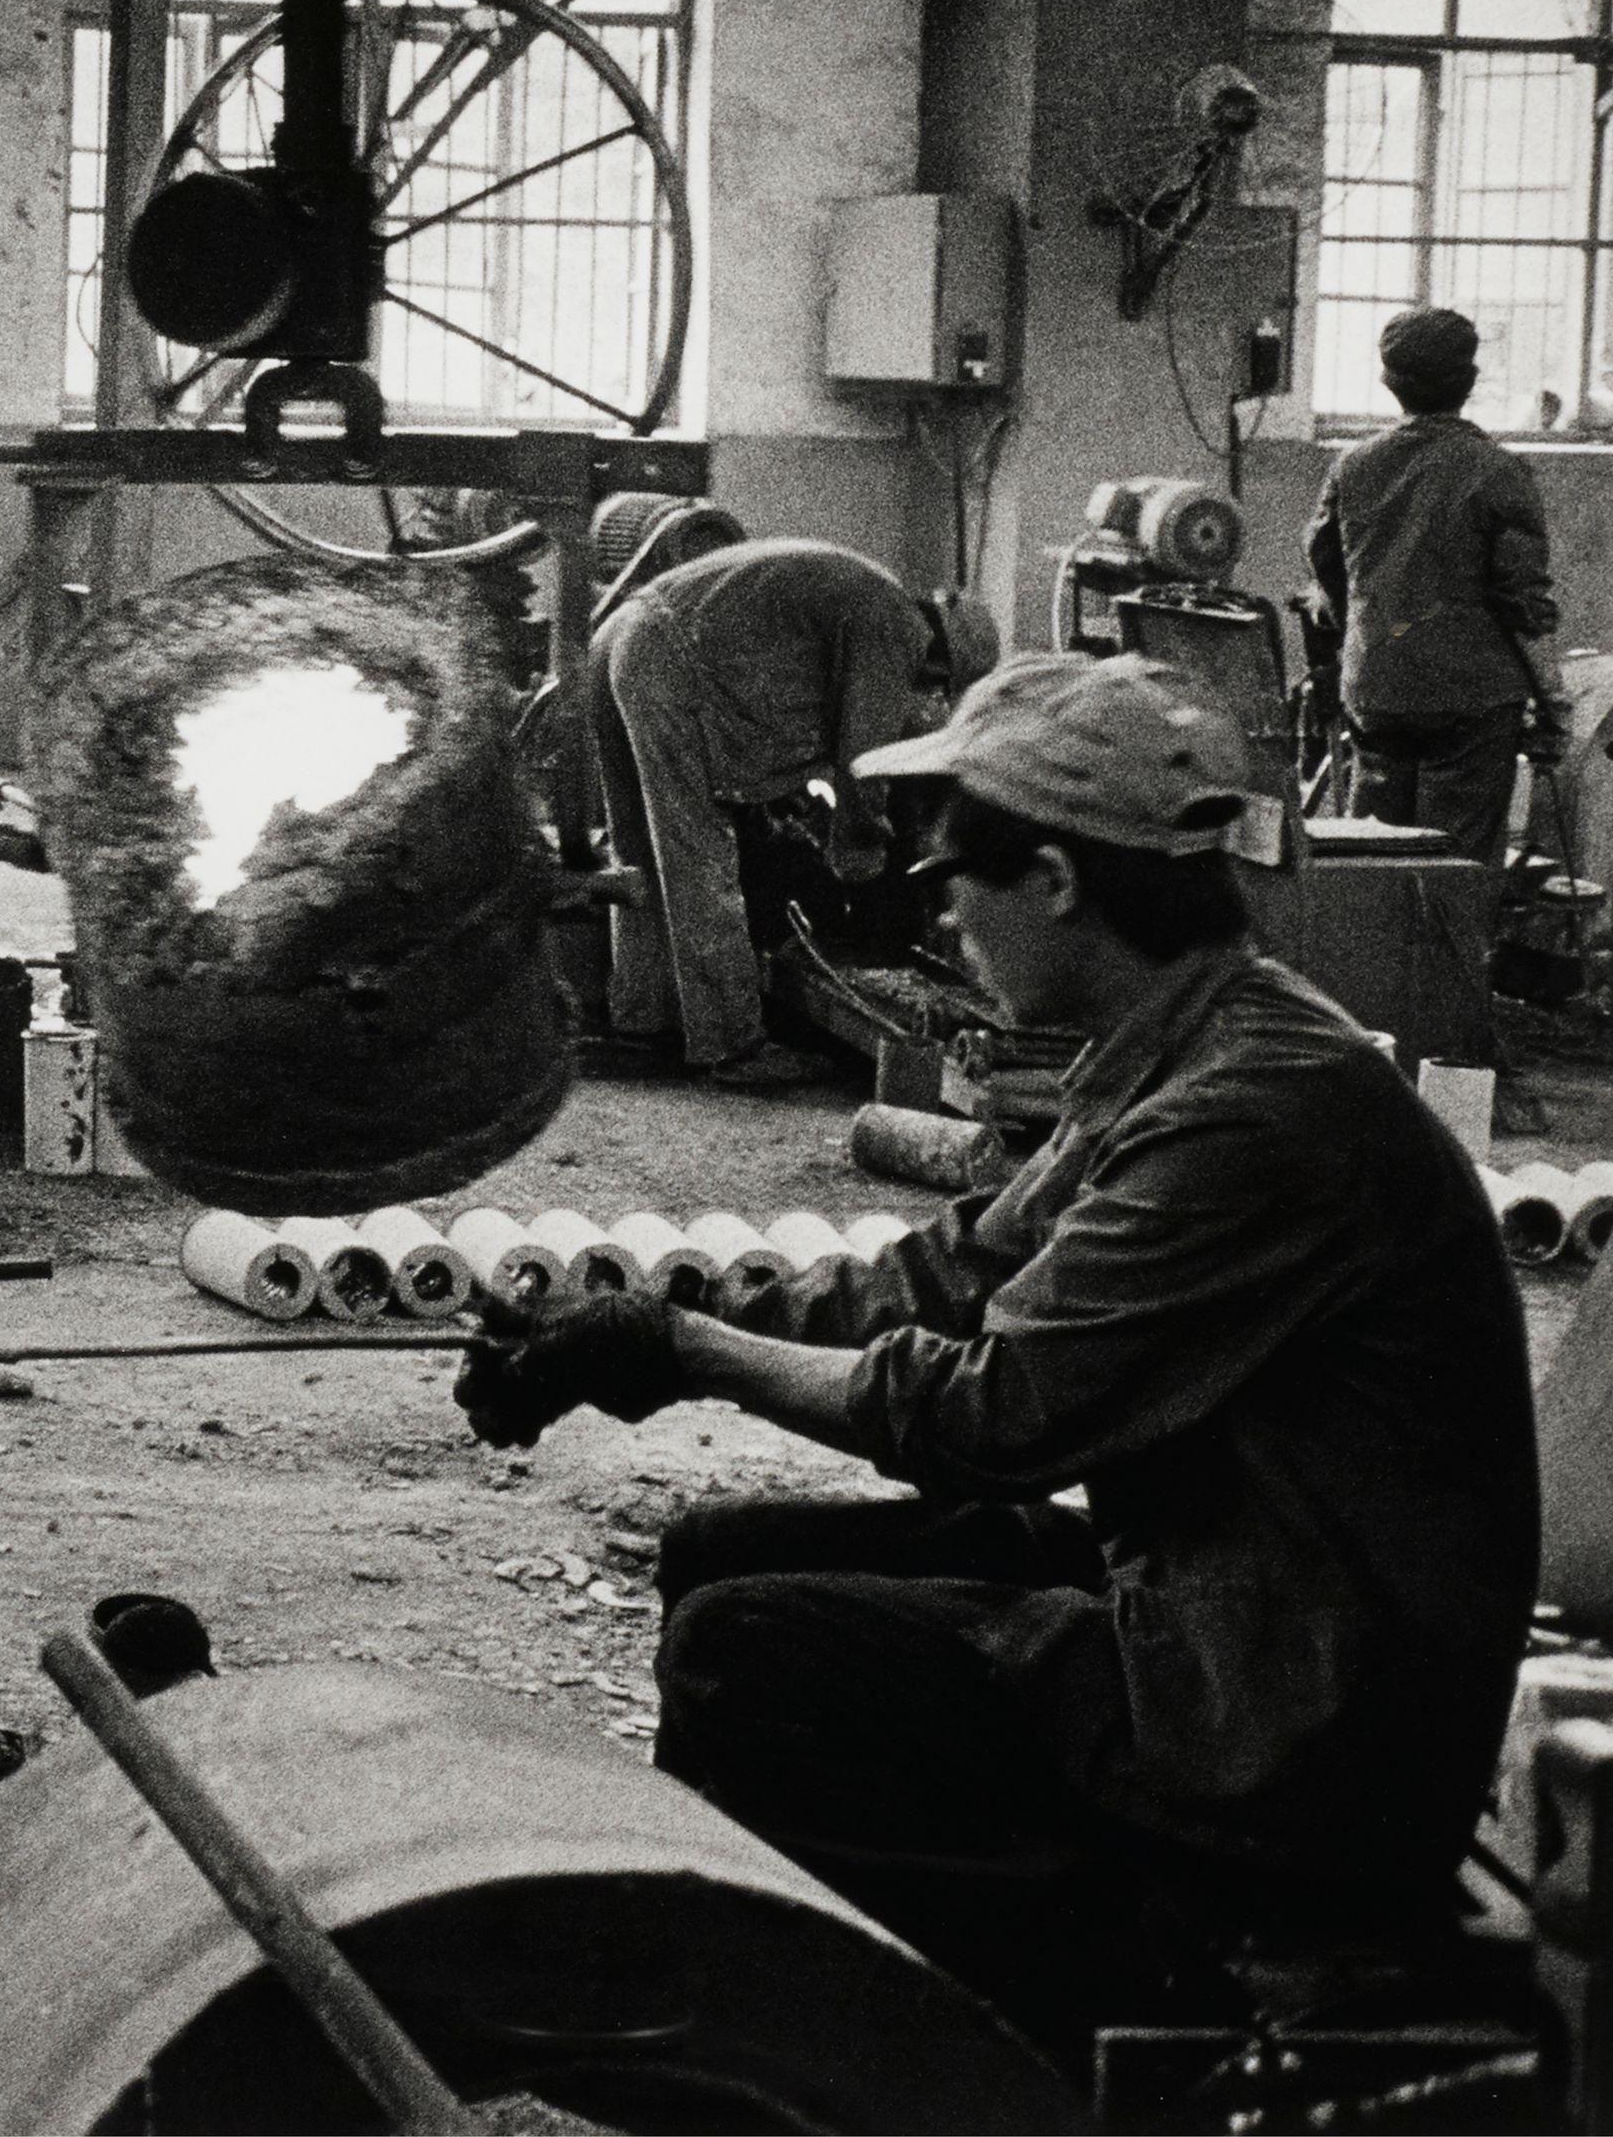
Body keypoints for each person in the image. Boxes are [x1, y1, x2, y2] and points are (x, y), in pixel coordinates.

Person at [463, 654, 1536, 2042]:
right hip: (1246, 1598)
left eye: (951, 879)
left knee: (750, 1656)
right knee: (717, 1553)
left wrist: (688, 1354)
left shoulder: (1259, 1106)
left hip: (1298, 1725)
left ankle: (1092, 2006)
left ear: (1056, 881)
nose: (945, 918)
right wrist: (637, 1318)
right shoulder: (1175, 1048)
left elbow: (993, 1414)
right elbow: (949, 1278)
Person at [590, 532, 952, 1090]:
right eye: (937, 695)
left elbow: (793, 717)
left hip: (622, 634)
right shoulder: (895, 627)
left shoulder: (858, 589)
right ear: (940, 660)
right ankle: (732, 1047)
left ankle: (643, 1017)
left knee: (638, 852)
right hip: (668, 660)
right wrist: (859, 846)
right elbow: (866, 758)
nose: (934, 706)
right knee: (699, 860)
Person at [1309, 302, 1556, 869]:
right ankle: (1454, 959)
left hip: (1378, 690)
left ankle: (1374, 959)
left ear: (1388, 382)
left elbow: (1326, 565)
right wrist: (1552, 700)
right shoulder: (1498, 470)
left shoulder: (1353, 466)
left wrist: (1370, 630)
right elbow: (1524, 602)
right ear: (1469, 382)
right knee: (1456, 870)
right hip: (1471, 700)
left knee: (1372, 862)